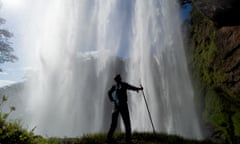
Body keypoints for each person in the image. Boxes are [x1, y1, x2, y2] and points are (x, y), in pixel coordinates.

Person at [107, 74, 143, 144]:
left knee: (118, 123)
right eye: (118, 78)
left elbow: (131, 87)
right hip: (120, 106)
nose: (119, 79)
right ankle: (126, 139)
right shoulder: (119, 85)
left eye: (118, 78)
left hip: (118, 106)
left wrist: (138, 89)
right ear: (118, 79)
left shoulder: (119, 86)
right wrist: (112, 99)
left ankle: (112, 138)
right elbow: (109, 93)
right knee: (124, 123)